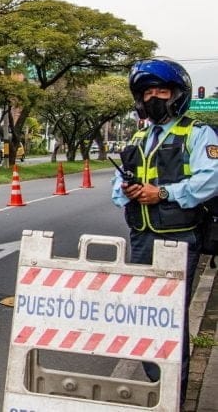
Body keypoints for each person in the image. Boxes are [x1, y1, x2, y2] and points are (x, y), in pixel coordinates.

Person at [111, 57, 218, 403]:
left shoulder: (197, 133)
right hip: (142, 237)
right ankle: (157, 386)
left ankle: (174, 396)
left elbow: (211, 178)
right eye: (147, 92)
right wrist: (129, 190)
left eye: (162, 90)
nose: (154, 97)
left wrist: (165, 193)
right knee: (144, 316)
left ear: (177, 94)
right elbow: (116, 189)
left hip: (178, 240)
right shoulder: (139, 137)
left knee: (169, 319)